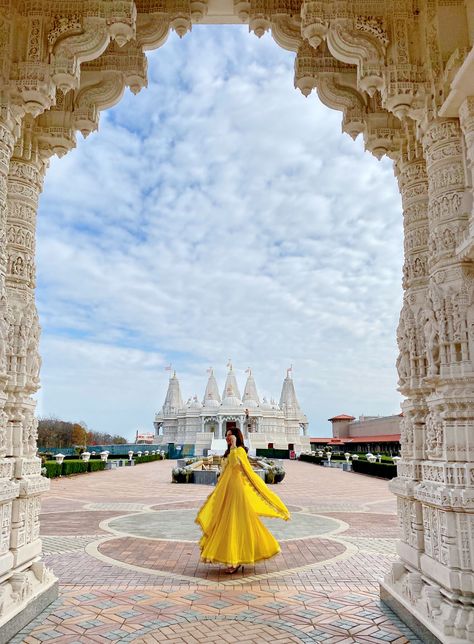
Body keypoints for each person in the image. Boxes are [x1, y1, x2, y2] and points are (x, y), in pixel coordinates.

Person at [195, 427, 290, 574]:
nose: (227, 438)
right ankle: (231, 557)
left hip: (236, 490)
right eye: (226, 436)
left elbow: (236, 465)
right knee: (224, 521)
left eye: (230, 435)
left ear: (236, 437)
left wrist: (233, 446)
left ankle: (235, 560)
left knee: (235, 522)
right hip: (226, 490)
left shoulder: (239, 451)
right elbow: (225, 469)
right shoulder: (228, 451)